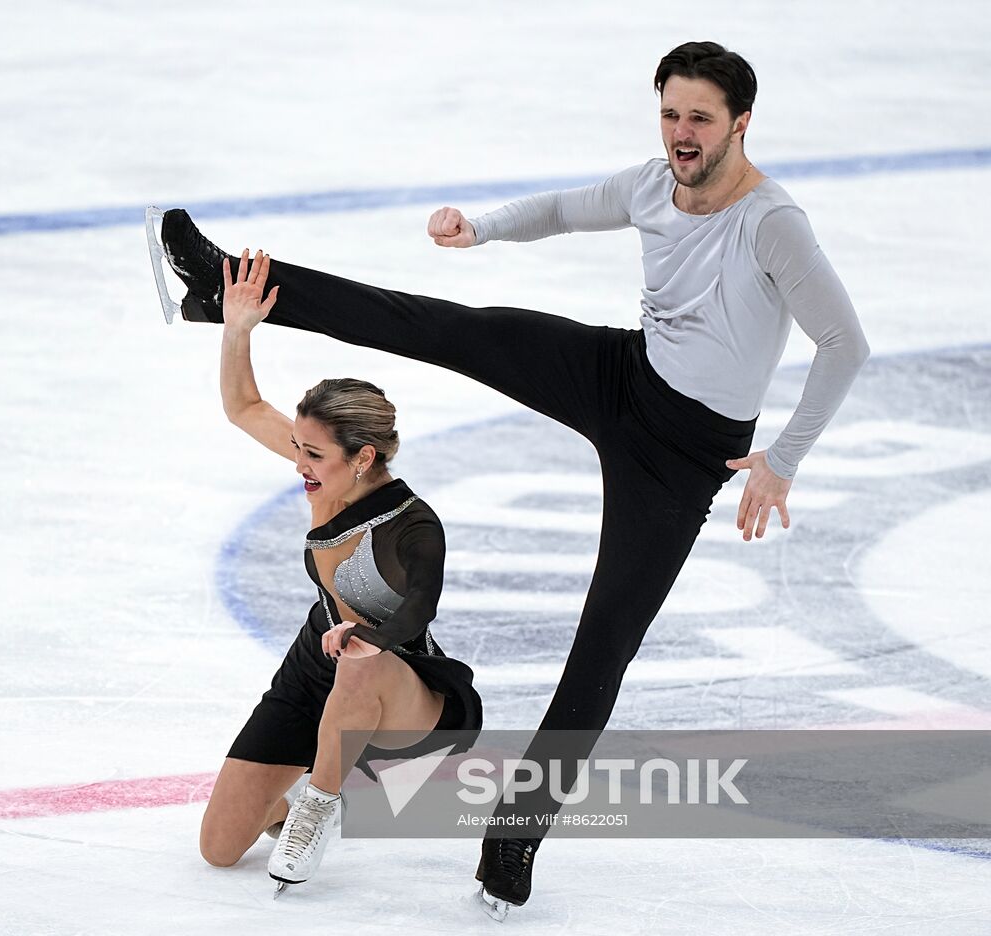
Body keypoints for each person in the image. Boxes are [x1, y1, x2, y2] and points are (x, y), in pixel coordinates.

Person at [151, 40, 869, 919]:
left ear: (741, 124)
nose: (682, 134)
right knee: (444, 327)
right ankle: (220, 284)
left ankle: (516, 834)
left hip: (686, 455)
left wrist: (780, 461)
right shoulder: (654, 182)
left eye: (701, 119)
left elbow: (845, 344)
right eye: (671, 113)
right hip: (624, 376)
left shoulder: (772, 223)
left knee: (602, 649)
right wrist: (482, 228)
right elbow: (572, 208)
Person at [196, 249, 484, 895]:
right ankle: (300, 798)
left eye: (313, 454)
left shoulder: (413, 524)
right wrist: (238, 329)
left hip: (404, 683)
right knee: (218, 849)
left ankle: (318, 810)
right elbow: (244, 407)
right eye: (298, 446)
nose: (298, 463)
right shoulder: (321, 465)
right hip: (314, 663)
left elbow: (418, 609)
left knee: (358, 662)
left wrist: (371, 638)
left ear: (363, 457)